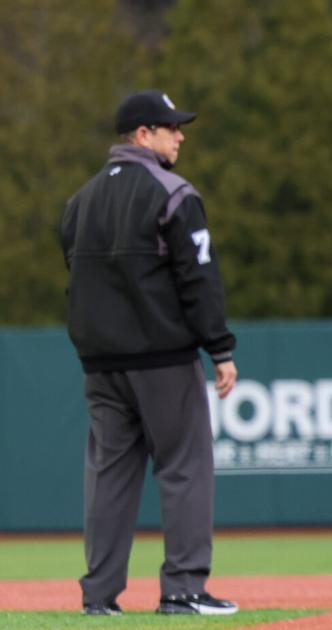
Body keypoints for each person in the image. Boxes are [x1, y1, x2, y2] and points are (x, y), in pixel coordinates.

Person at [58, 90, 240, 616]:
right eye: (170, 127)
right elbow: (199, 278)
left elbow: (78, 274)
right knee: (184, 466)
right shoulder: (174, 193)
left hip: (100, 365)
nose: (179, 135)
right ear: (143, 135)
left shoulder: (80, 200)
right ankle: (184, 590)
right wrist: (220, 348)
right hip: (161, 359)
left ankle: (99, 597)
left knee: (109, 475)